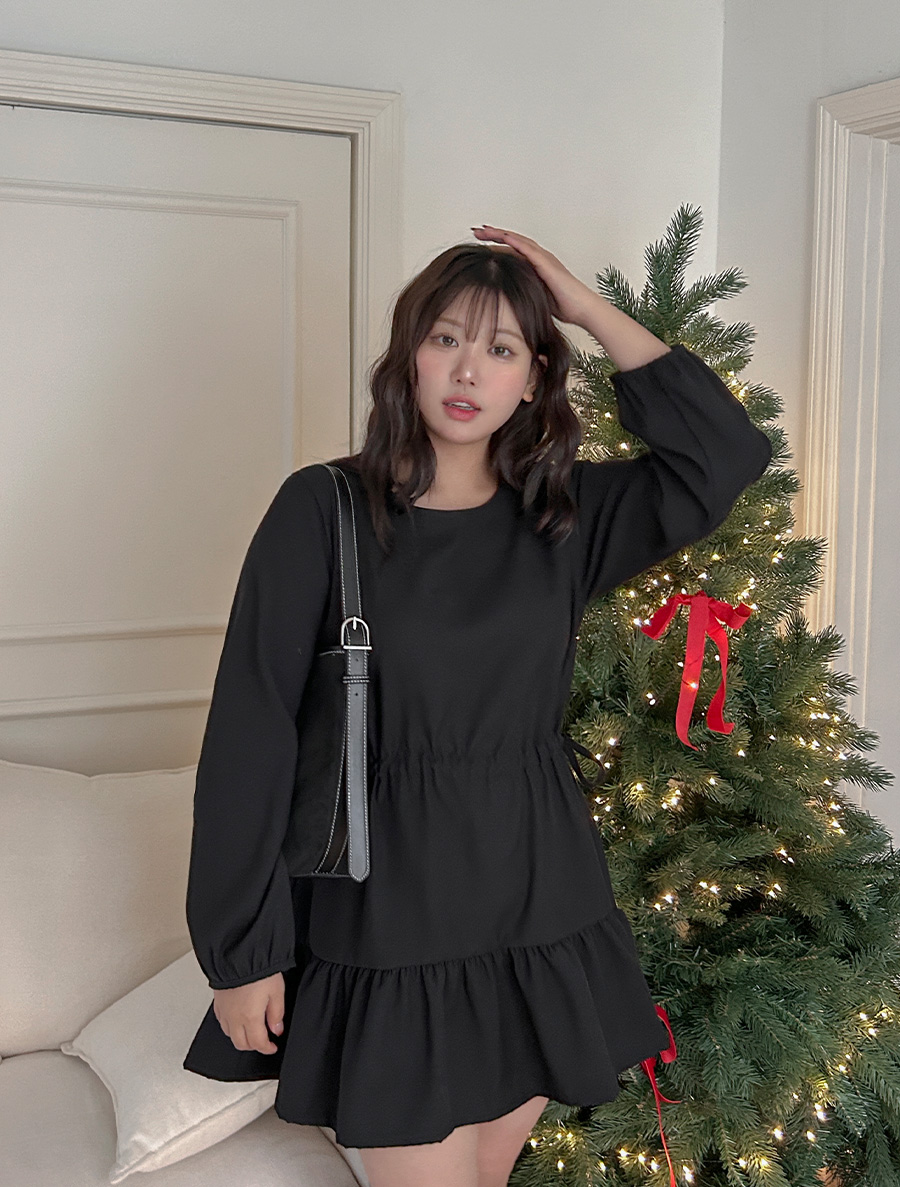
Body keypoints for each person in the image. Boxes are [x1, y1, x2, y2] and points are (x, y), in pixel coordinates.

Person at [182, 226, 773, 1187]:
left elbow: (724, 456)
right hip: (389, 912)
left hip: (539, 898)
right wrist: (240, 952)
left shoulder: (562, 515)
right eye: (446, 337)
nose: (468, 370)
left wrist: (584, 307)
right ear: (409, 354)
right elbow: (250, 735)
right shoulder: (323, 510)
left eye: (501, 348)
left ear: (534, 379)